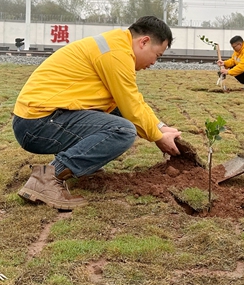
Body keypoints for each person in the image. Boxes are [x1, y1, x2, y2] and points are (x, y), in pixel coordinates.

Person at [12, 16, 182, 210]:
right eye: (157, 55)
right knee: (123, 130)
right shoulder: (116, 53)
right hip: (38, 124)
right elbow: (131, 105)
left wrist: (160, 127)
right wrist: (158, 137)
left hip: (41, 119)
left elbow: (129, 102)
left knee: (117, 112)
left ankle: (78, 168)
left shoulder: (115, 45)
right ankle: (46, 179)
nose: (154, 62)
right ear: (144, 42)